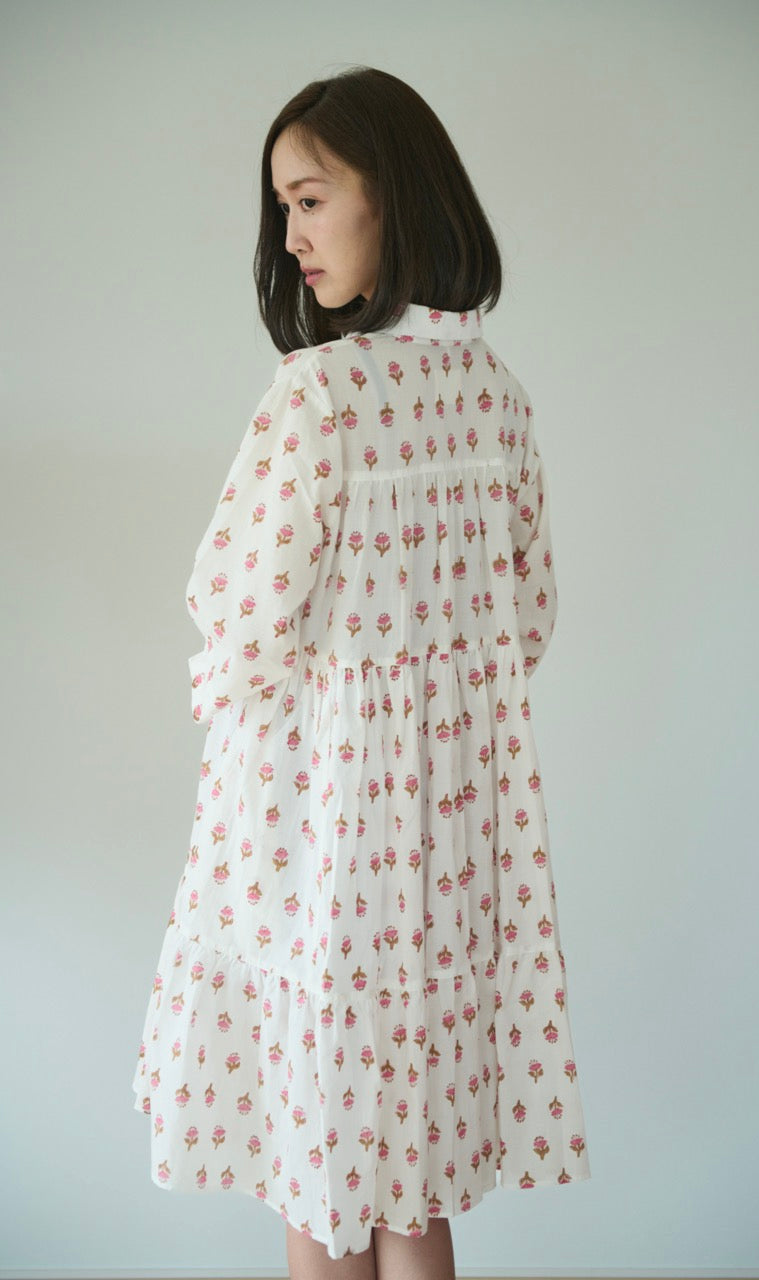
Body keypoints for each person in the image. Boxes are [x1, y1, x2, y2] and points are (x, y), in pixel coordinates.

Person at [131, 66, 591, 1280]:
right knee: (412, 1183)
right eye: (282, 208)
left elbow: (238, 616)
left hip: (319, 841)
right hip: (454, 851)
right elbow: (528, 619)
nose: (290, 236)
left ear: (391, 193)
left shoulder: (321, 396)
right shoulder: (497, 398)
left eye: (309, 199)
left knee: (319, 1173)